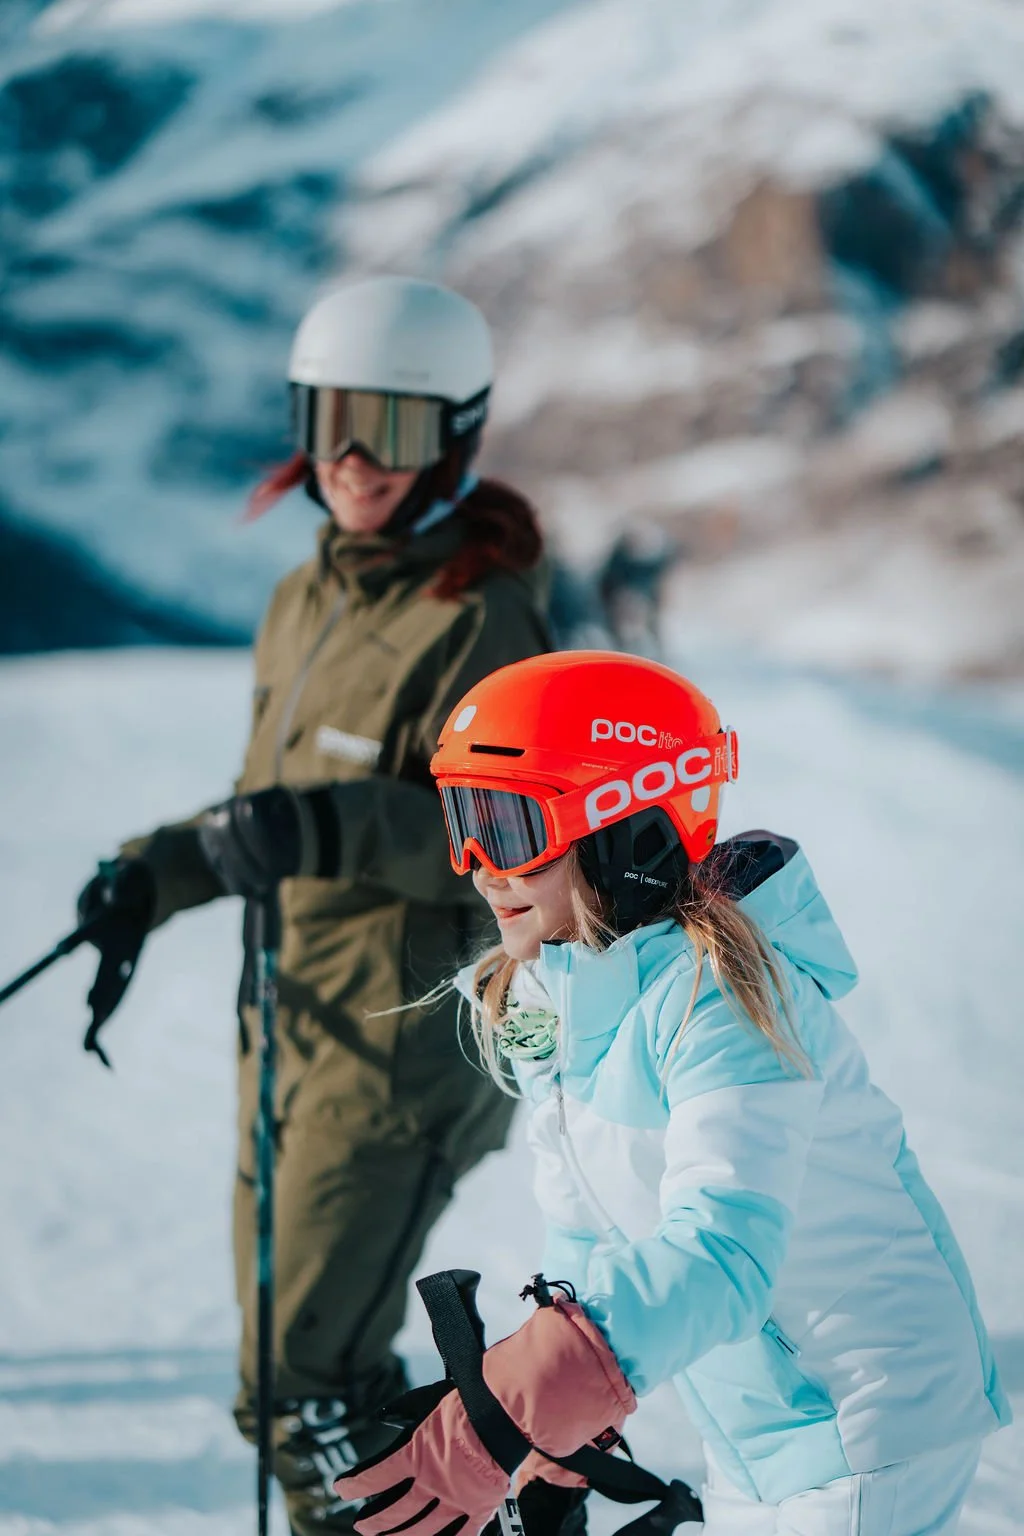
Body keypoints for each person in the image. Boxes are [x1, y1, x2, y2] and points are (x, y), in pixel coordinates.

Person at [74, 276, 552, 1536]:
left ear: (455, 432)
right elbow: (265, 811)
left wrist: (325, 824)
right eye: (329, 417)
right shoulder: (308, 600)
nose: (349, 458)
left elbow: (513, 837)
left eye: (387, 427)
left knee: (302, 1388)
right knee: (299, 1386)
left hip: (398, 1059)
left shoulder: (482, 616)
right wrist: (149, 877)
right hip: (287, 1031)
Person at [335, 651, 1010, 1536]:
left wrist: (520, 1398)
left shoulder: (726, 998)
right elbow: (587, 1228)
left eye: (508, 827)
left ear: (624, 827)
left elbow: (723, 1254)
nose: (478, 866)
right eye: (463, 820)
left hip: (862, 1420)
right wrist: (560, 1432)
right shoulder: (557, 1000)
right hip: (763, 1430)